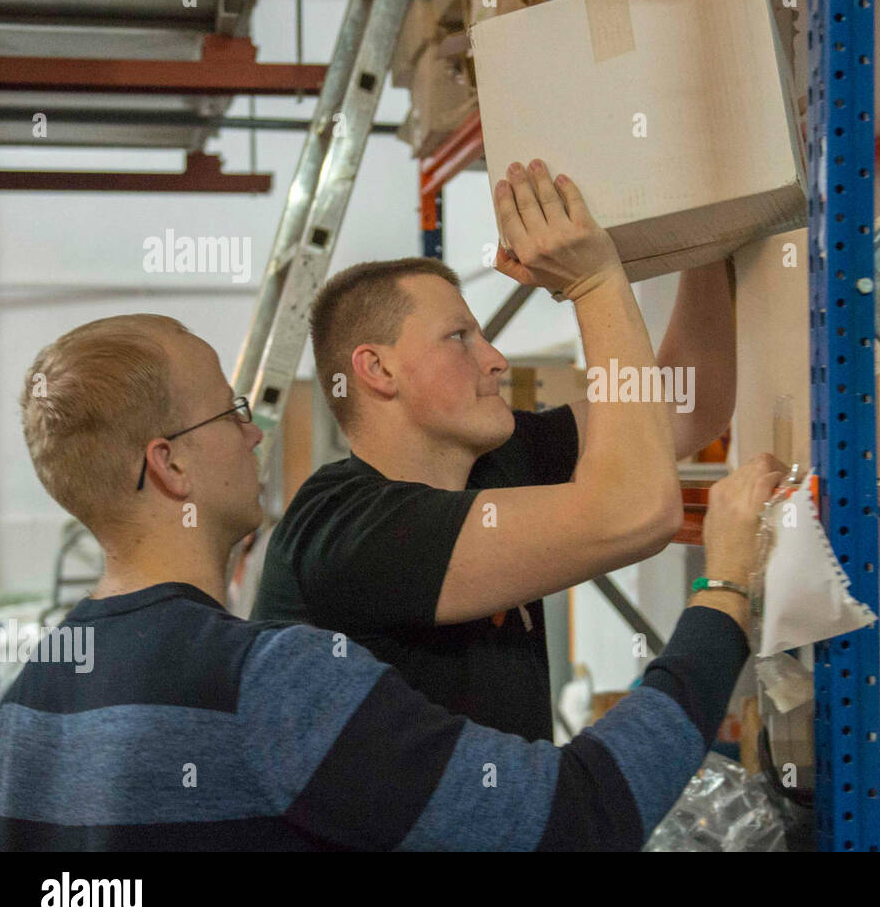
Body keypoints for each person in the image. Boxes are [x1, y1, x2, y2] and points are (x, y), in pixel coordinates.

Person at [0, 310, 782, 850]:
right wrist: (725, 592)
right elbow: (574, 818)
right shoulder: (270, 683)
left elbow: (675, 408)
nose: (253, 432)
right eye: (230, 412)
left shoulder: (27, 703)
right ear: (170, 466)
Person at [252, 160, 737, 741]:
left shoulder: (497, 460)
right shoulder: (343, 529)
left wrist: (707, 236)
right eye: (459, 338)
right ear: (378, 370)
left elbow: (687, 403)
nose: (497, 360)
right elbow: (636, 512)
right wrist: (593, 285)